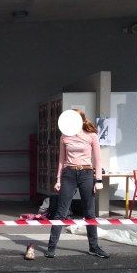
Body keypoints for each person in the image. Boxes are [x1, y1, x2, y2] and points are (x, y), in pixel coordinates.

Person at [45, 108, 110, 259]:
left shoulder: (91, 135)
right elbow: (61, 160)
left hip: (86, 173)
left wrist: (99, 180)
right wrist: (58, 179)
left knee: (89, 212)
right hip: (69, 173)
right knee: (61, 211)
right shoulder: (64, 137)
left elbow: (98, 159)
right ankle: (51, 247)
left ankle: (94, 247)